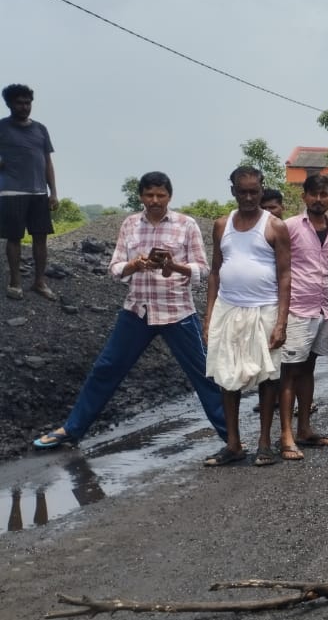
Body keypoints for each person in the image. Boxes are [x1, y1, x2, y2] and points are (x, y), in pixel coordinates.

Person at [32, 172, 228, 451]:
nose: (155, 200)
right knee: (106, 369)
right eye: (149, 195)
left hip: (178, 313)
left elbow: (203, 269)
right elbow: (114, 269)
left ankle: (231, 438)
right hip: (137, 312)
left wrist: (174, 267)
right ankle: (71, 430)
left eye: (160, 195)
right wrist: (134, 266)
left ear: (169, 196)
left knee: (203, 374)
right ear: (141, 197)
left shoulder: (186, 225)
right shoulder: (130, 225)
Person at [203, 166, 292, 467]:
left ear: (262, 189)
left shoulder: (275, 226)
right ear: (233, 192)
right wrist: (209, 317)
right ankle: (233, 444)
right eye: (243, 192)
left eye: (255, 191)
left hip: (265, 310)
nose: (250, 197)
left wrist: (281, 321)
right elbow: (215, 272)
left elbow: (285, 275)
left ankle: (264, 444)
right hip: (228, 309)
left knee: (268, 378)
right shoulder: (220, 225)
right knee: (227, 377)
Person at [278, 174, 328, 455]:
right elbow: (277, 267)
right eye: (313, 194)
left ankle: (304, 428)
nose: (318, 199)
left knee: (309, 369)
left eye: (324, 194)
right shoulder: (289, 227)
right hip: (296, 309)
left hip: (322, 308)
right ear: (304, 196)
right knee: (289, 371)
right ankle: (286, 434)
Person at [0, 84, 59, 301]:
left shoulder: (40, 129)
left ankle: (39, 282)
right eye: (19, 102)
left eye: (28, 102)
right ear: (9, 104)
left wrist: (53, 192)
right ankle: (15, 282)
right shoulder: (2, 127)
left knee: (40, 238)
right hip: (11, 191)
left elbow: (47, 162)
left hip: (38, 192)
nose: (25, 107)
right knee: (14, 238)